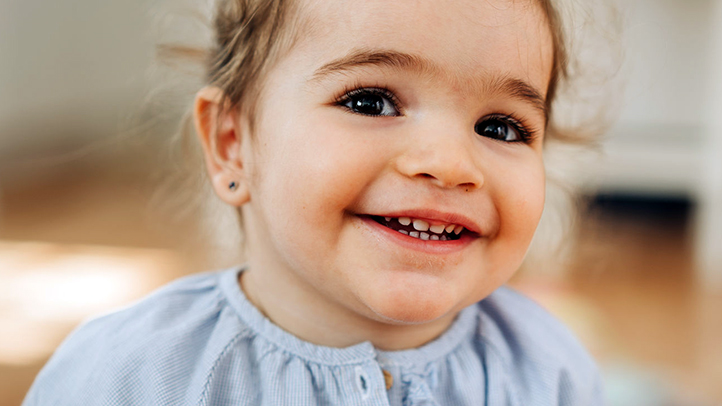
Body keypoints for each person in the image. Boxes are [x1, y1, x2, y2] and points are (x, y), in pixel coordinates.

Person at [23, 0, 605, 404]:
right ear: (233, 145)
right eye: (371, 101)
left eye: (501, 127)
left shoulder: (548, 369)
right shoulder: (130, 375)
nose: (451, 164)